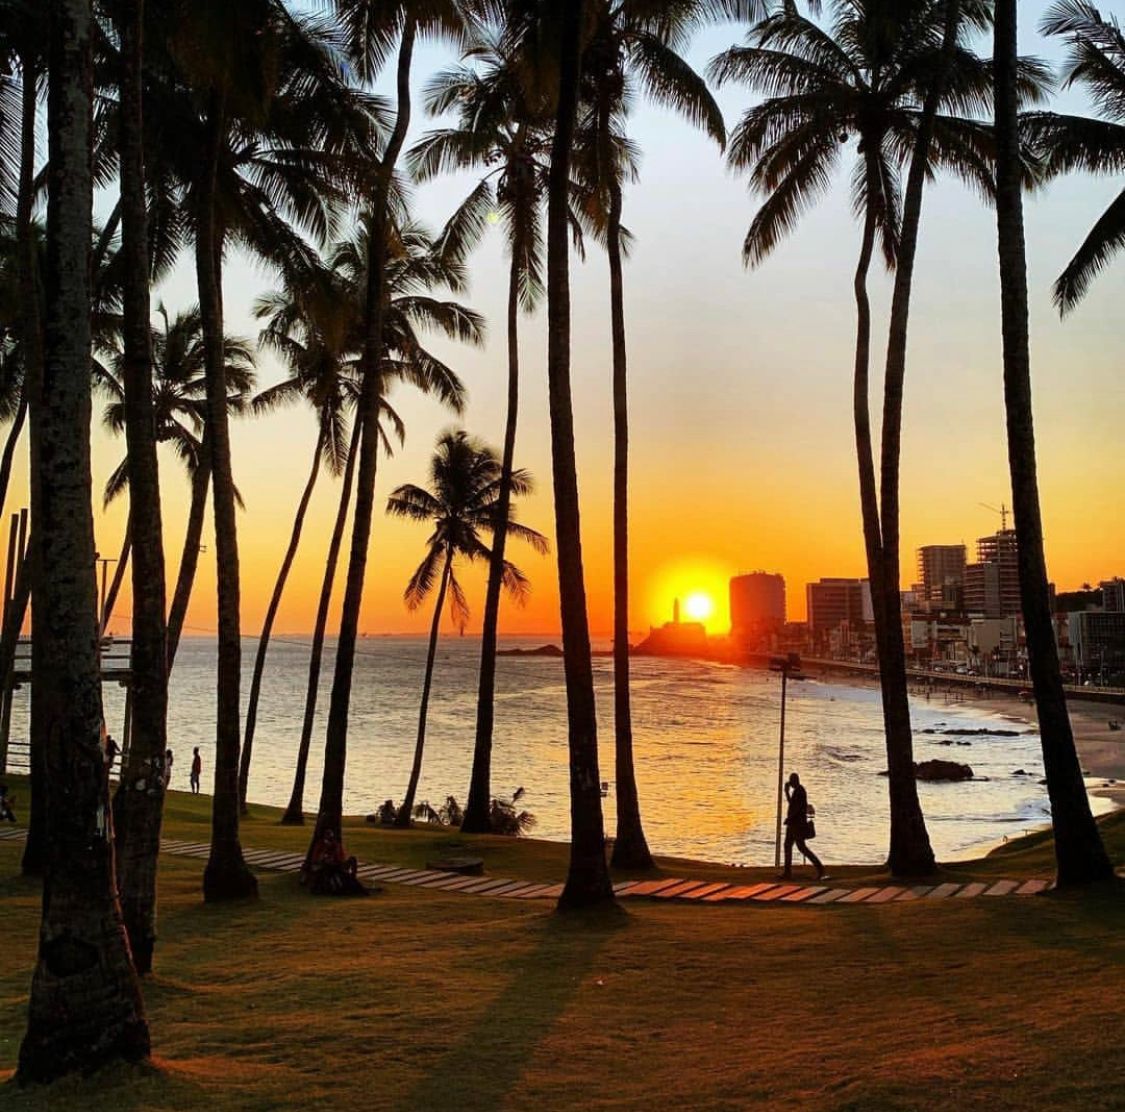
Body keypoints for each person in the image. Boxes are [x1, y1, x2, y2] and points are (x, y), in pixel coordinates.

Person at [782, 772, 826, 881]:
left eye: (792, 781)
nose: (790, 783)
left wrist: (790, 818)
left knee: (802, 847)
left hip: (797, 825)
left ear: (795, 781)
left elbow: (797, 808)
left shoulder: (800, 791)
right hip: (792, 824)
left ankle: (820, 869)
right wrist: (786, 792)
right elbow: (792, 804)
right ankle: (787, 872)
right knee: (787, 846)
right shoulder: (796, 791)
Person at [304, 827, 368, 897]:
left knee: (352, 860)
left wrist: (336, 858)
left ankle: (352, 882)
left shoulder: (336, 845)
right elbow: (316, 859)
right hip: (325, 867)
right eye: (327, 839)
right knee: (329, 870)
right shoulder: (320, 846)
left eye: (330, 839)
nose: (329, 842)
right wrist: (324, 857)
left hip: (336, 865)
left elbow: (341, 858)